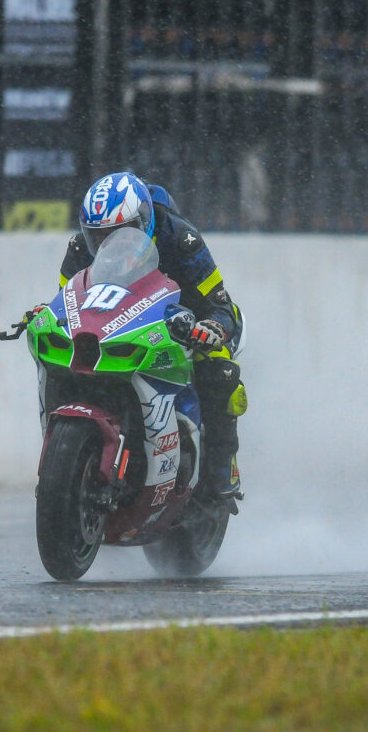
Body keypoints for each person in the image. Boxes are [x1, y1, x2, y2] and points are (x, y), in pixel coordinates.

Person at [48, 171, 246, 500]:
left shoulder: (180, 239)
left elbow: (221, 304)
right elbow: (66, 301)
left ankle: (223, 470)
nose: (108, 245)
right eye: (100, 237)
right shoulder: (82, 246)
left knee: (221, 372)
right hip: (117, 325)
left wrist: (212, 328)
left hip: (186, 319)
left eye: (120, 235)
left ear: (143, 221)